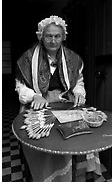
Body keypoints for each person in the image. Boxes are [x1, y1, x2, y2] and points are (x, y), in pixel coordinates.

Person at [15, 16, 102, 182]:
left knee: (77, 135)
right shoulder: (27, 58)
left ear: (63, 37)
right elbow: (20, 85)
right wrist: (35, 95)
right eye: (49, 36)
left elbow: (79, 81)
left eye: (57, 36)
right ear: (41, 35)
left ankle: (76, 174)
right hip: (39, 104)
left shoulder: (72, 58)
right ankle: (50, 178)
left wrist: (78, 92)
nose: (53, 40)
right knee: (46, 141)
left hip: (65, 103)